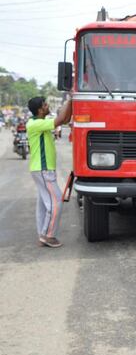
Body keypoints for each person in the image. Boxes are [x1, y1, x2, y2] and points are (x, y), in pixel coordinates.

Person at [27, 96, 72, 247]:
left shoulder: (39, 122)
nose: (48, 106)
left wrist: (71, 102)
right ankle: (48, 235)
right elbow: (60, 120)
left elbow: (64, 119)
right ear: (40, 110)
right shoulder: (36, 123)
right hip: (43, 170)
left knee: (44, 204)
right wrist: (70, 99)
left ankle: (43, 234)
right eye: (45, 105)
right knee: (56, 202)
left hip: (41, 169)